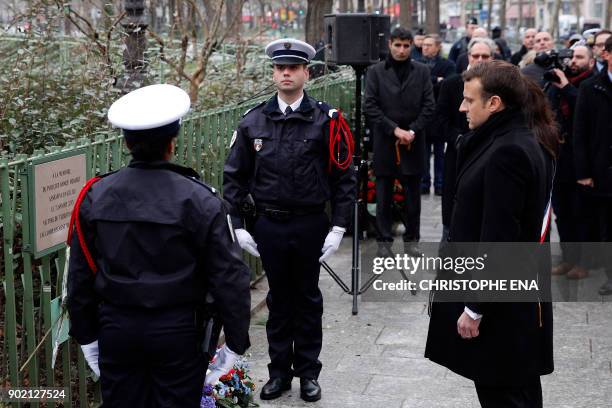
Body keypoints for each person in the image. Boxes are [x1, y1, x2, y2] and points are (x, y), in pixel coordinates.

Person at [67, 84, 252, 408]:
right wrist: (236, 341)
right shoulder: (200, 200)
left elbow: (80, 275)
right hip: (178, 333)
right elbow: (229, 277)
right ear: (172, 141)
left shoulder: (96, 196)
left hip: (117, 329)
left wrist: (87, 336)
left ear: (125, 141)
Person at [223, 38, 355, 402]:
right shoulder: (253, 122)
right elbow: (234, 176)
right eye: (280, 68)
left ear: (306, 73)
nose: (285, 73)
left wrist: (339, 226)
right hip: (270, 225)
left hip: (311, 223)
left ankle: (309, 373)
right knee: (278, 301)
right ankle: (279, 372)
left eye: (293, 68)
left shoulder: (326, 120)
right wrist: (236, 224)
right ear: (273, 73)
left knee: (308, 299)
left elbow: (344, 177)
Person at [425, 60, 558, 407]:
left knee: (504, 391)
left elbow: (500, 237)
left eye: (469, 100)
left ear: (494, 103)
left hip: (501, 301)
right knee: (518, 387)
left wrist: (474, 307)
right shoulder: (516, 137)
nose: (461, 107)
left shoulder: (508, 151)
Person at [364, 27, 435, 254]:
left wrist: (412, 131)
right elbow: (370, 106)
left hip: (413, 142)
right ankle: (384, 243)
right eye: (398, 45)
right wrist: (394, 130)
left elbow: (429, 105)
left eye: (406, 46)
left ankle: (412, 242)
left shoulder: (422, 71)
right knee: (383, 196)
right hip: (386, 141)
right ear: (390, 45)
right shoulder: (375, 71)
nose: (402, 50)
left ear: (412, 46)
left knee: (413, 197)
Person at [437, 37, 495, 240]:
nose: (480, 59)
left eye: (485, 56)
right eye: (475, 55)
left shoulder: (500, 87)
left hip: (489, 153)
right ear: (468, 56)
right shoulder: (451, 84)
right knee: (453, 213)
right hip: (457, 153)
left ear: (492, 58)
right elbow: (441, 119)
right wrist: (459, 139)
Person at [546, 44, 596, 279]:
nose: (573, 61)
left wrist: (566, 87)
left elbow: (588, 114)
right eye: (572, 57)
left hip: (581, 158)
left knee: (582, 212)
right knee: (562, 212)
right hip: (560, 156)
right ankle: (568, 258)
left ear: (592, 61)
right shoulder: (558, 83)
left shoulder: (592, 84)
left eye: (579, 57)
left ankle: (584, 262)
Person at [573, 36, 612, 296]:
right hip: (603, 169)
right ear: (607, 55)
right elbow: (581, 132)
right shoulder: (591, 87)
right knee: (607, 225)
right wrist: (584, 172)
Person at [421, 33, 456, 195]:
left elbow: (448, 85)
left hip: (440, 114)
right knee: (424, 152)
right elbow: (418, 87)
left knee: (440, 152)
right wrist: (436, 80)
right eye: (424, 45)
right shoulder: (417, 64)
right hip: (423, 115)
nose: (425, 47)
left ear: (437, 47)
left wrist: (432, 80)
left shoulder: (448, 65)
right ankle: (425, 182)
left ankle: (440, 183)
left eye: (429, 45)